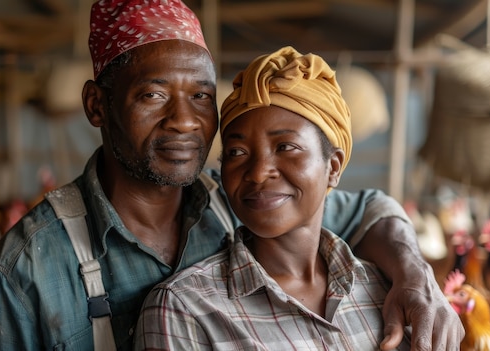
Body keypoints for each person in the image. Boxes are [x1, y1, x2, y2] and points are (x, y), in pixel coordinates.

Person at [0, 1, 463, 350]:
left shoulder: (243, 198)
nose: (185, 119)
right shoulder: (24, 272)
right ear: (97, 105)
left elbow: (373, 209)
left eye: (202, 96)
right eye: (153, 95)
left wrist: (415, 276)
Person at [135, 46, 411, 350]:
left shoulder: (386, 289)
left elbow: (375, 205)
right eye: (237, 153)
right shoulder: (185, 310)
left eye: (285, 147)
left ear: (332, 167)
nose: (258, 172)